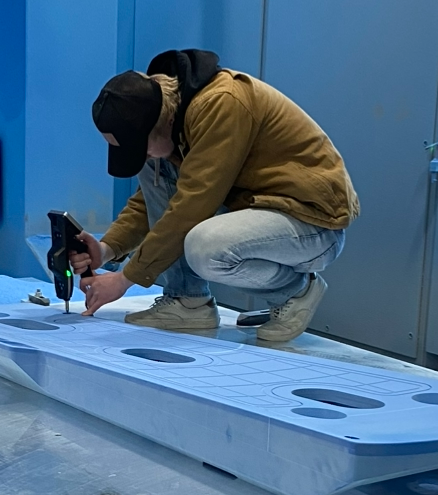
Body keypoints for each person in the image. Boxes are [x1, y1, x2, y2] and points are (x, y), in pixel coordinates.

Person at [70, 48, 358, 345]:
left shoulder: (221, 104)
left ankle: (296, 291)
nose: (142, 155)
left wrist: (124, 280)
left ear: (161, 123)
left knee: (204, 247)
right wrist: (106, 249)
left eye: (140, 146)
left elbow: (189, 208)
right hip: (265, 209)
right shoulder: (171, 118)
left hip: (313, 221)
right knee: (154, 166)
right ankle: (188, 302)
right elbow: (154, 200)